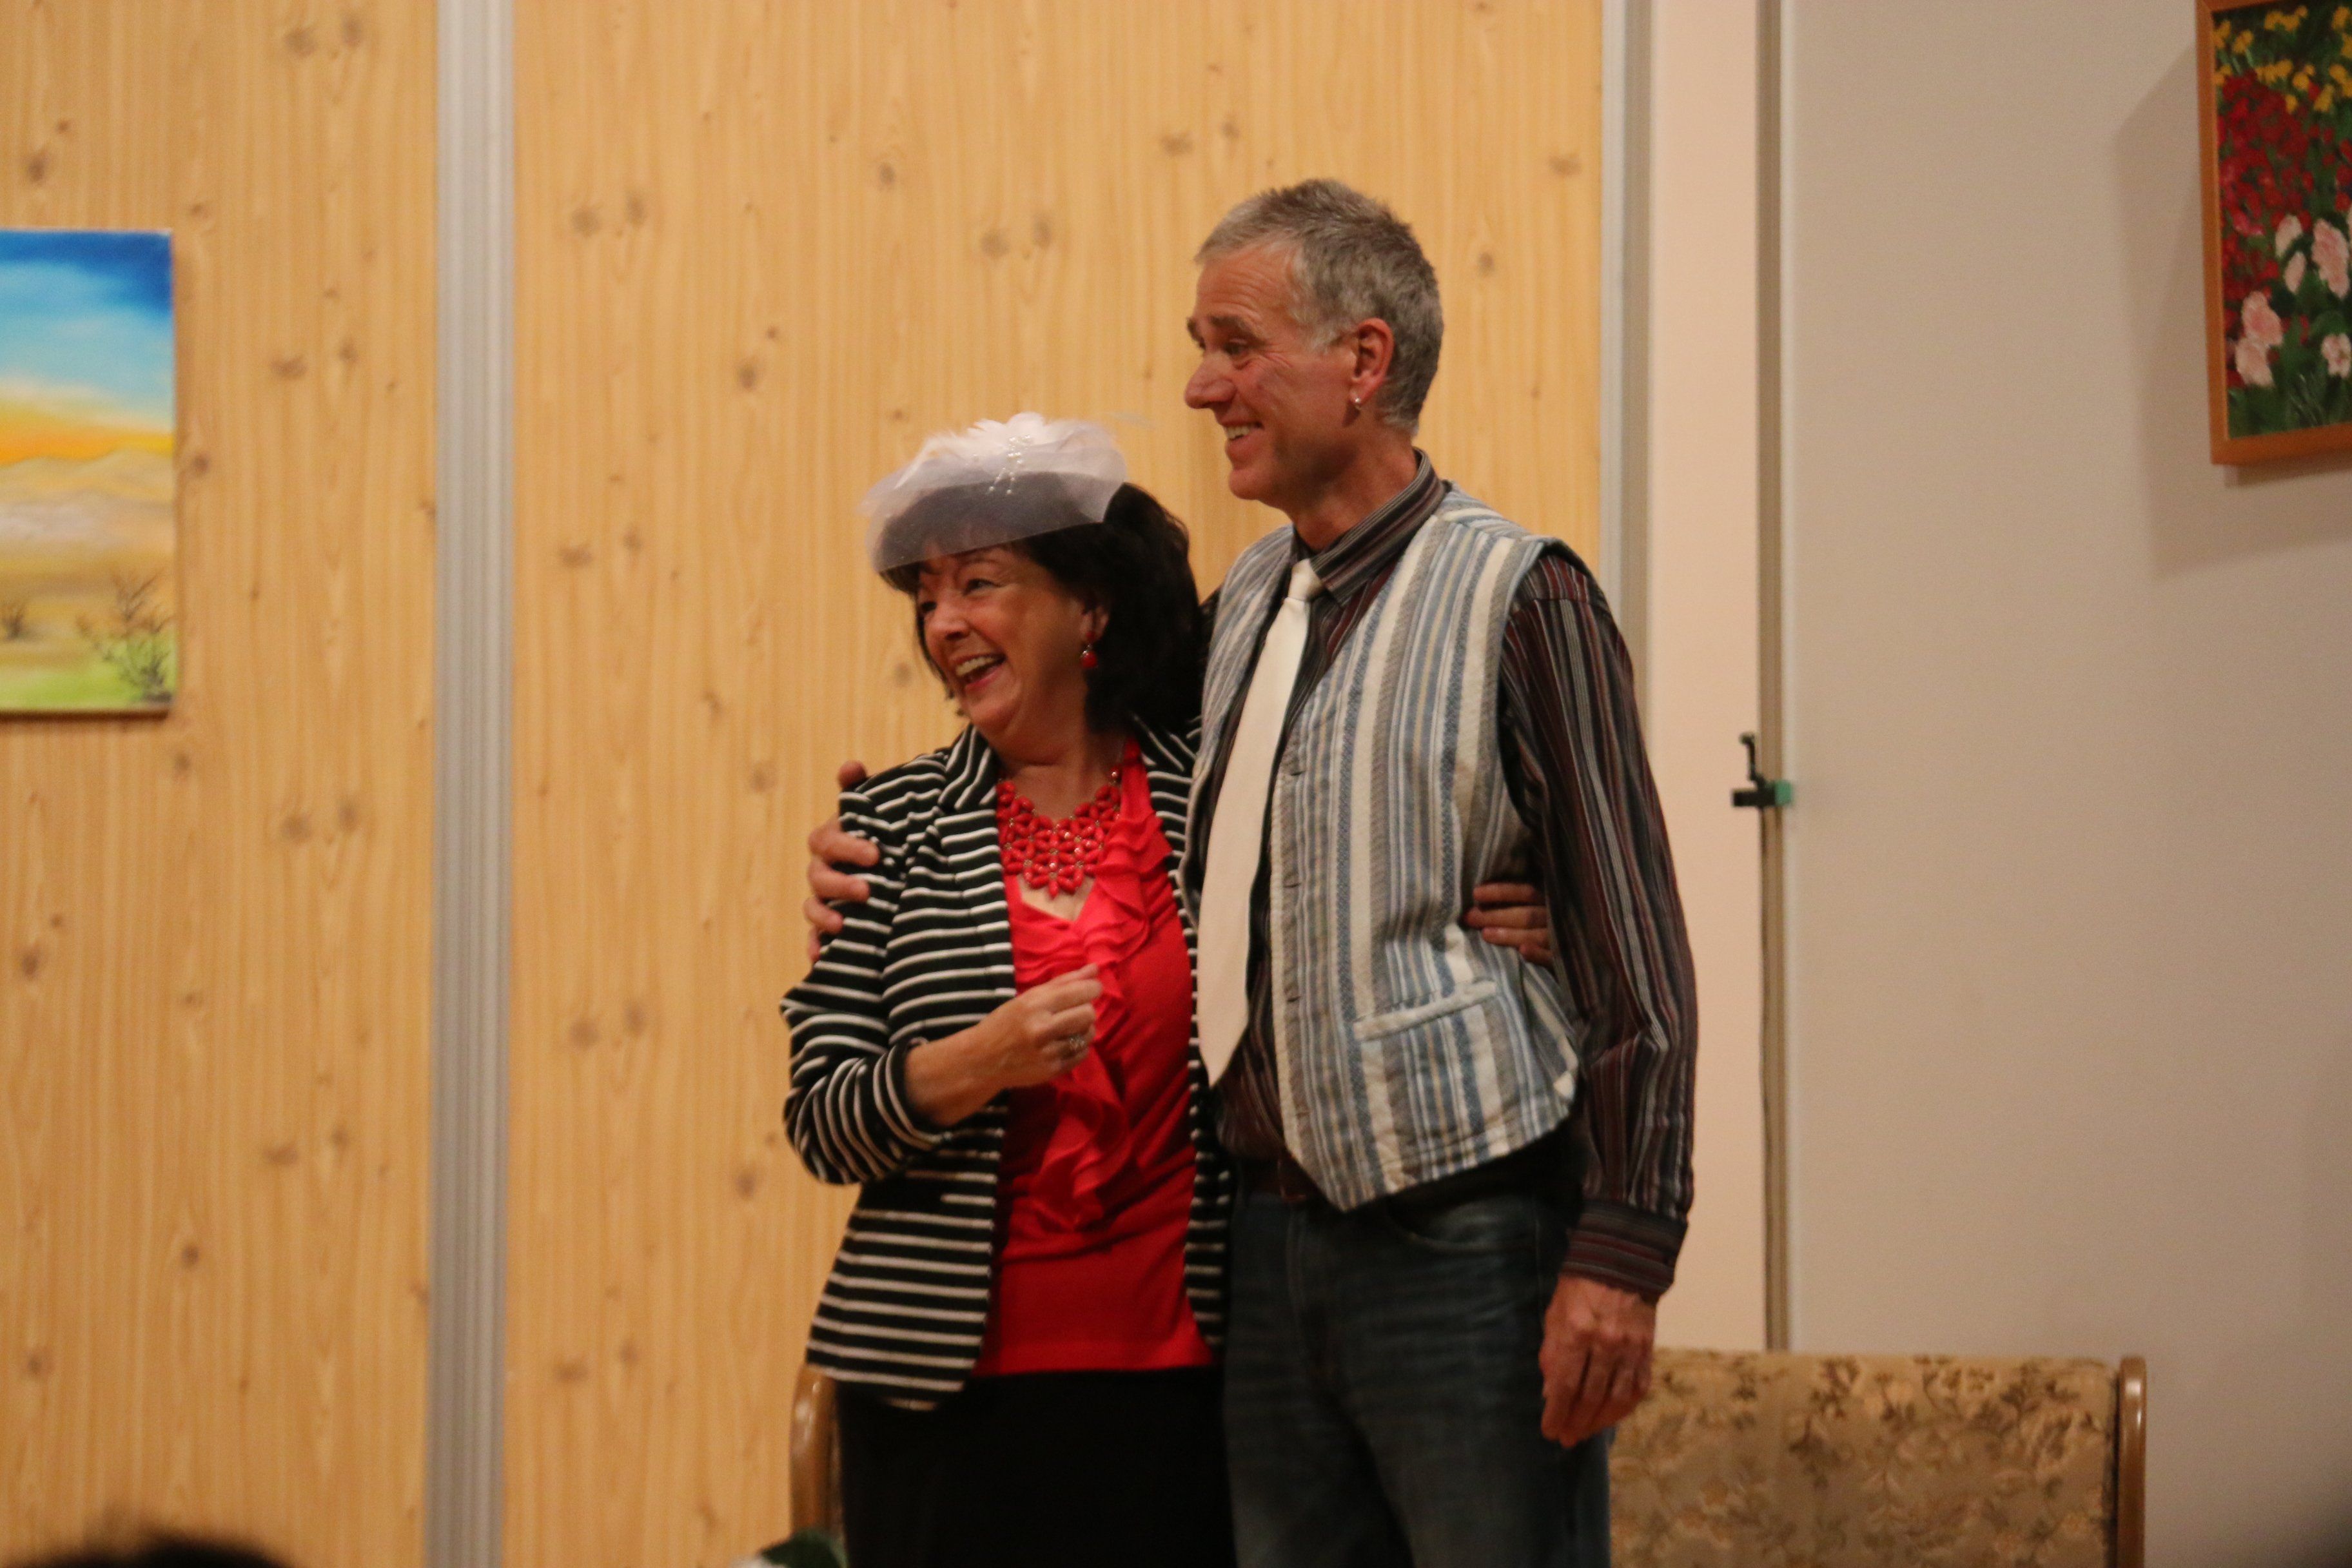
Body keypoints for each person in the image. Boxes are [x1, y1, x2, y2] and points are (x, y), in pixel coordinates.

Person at [809, 181, 1696, 1568]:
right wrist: (866, 847)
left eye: (1236, 346)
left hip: (1463, 1241)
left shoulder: (1525, 595)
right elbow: (1083, 754)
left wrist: (1624, 1252)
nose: (1201, 385)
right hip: (1270, 1267)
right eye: (1200, 347)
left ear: (1363, 360)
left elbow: (1636, 949)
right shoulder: (1242, 618)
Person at [785, 414, 1557, 1568]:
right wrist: (981, 1060)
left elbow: (1367, 900)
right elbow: (823, 1120)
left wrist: (1529, 917)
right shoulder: (886, 827)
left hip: (1188, 1385)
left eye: (980, 584)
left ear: (1089, 609)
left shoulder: (1222, 795)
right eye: (927, 598)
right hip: (937, 1401)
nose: (944, 624)